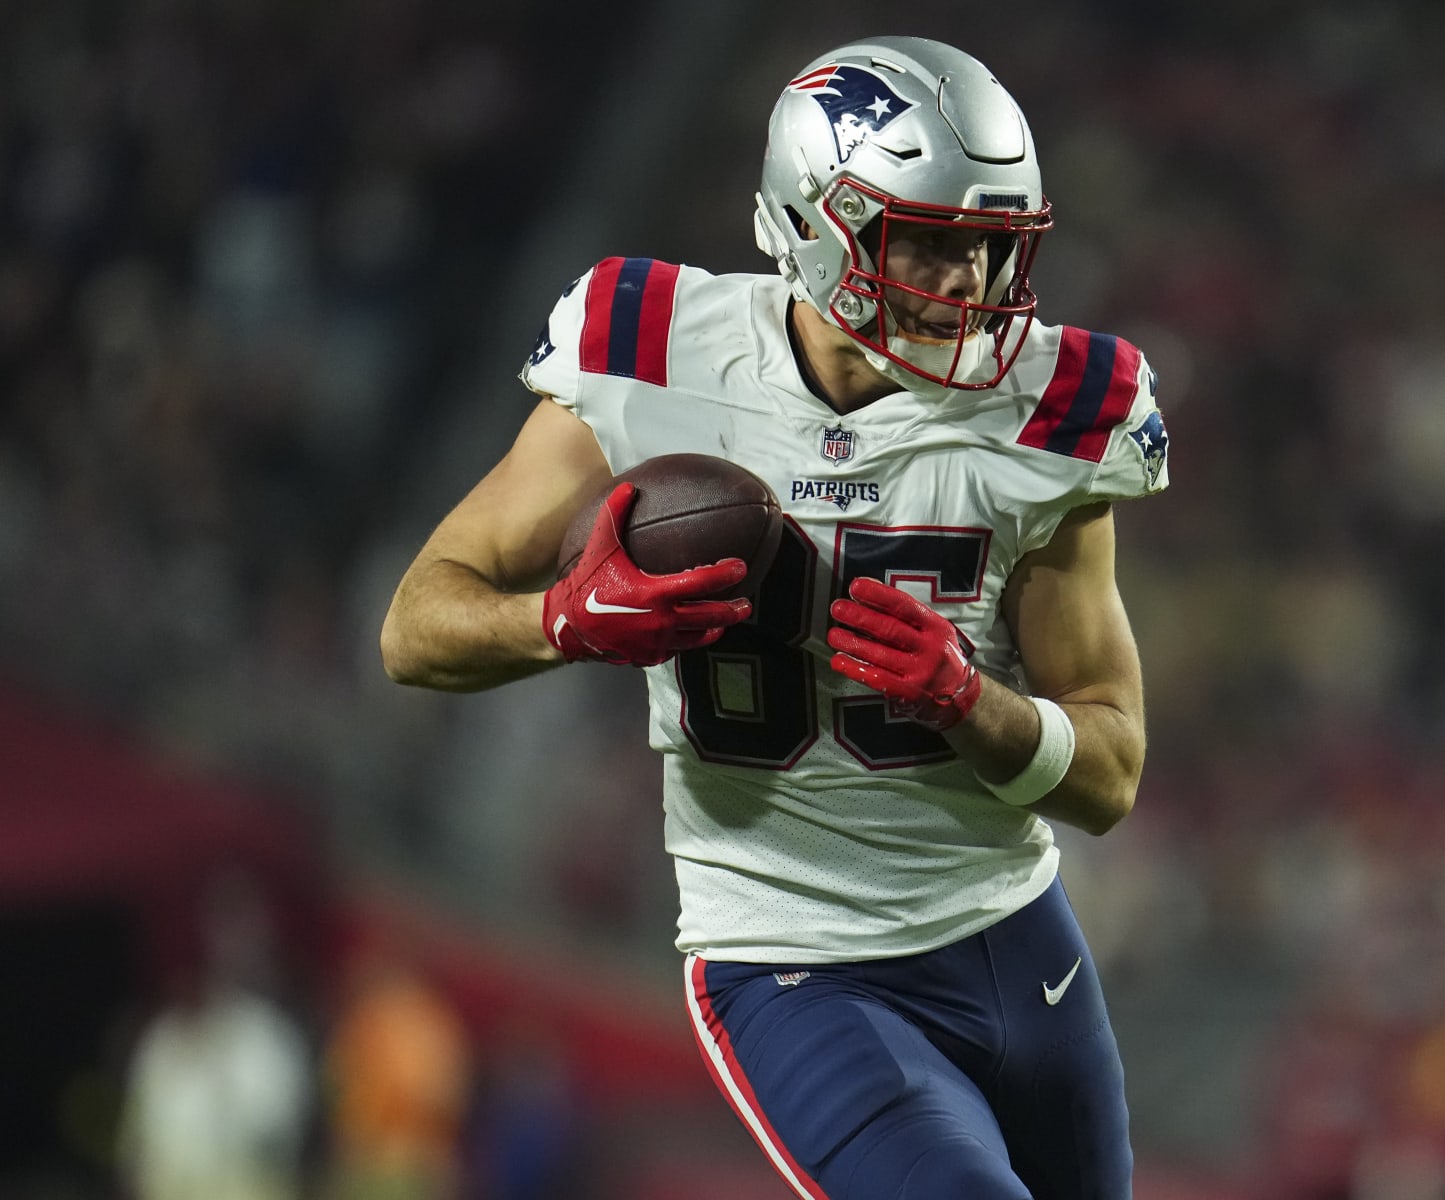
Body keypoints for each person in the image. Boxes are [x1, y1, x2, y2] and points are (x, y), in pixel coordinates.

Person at [382, 34, 1169, 1200]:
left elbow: (1108, 776)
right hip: (795, 958)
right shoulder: (648, 352)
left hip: (1016, 939)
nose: (972, 291)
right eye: (933, 248)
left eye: (994, 252)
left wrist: (971, 702)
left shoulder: (1054, 411)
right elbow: (414, 627)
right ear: (819, 223)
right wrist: (564, 620)